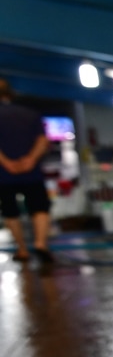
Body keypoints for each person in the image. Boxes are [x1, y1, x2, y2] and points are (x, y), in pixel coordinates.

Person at [0, 78, 52, 263]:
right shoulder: (30, 114)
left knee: (11, 212)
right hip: (32, 172)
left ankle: (22, 249)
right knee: (39, 208)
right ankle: (40, 244)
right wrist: (30, 159)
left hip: (4, 175)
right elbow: (42, 141)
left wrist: (6, 162)